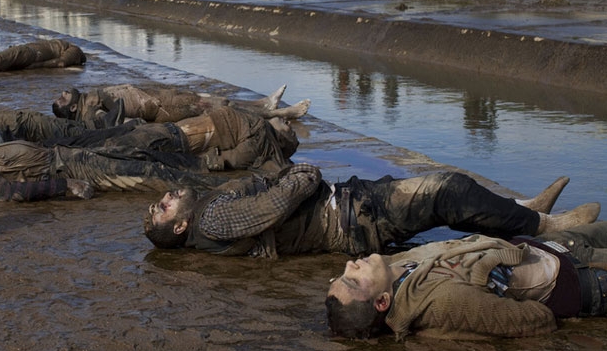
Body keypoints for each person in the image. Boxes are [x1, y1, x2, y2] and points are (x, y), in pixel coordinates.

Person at [143, 165, 600, 259]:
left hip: (348, 205)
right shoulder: (213, 219)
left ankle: (522, 211)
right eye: (163, 209)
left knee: (445, 198)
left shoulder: (207, 213)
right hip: (352, 218)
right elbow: (280, 200)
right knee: (445, 190)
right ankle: (546, 226)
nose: (165, 198)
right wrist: (302, 171)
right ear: (181, 225)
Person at [326, 221, 607, 340]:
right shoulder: (444, 302)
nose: (350, 265)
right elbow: (538, 319)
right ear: (382, 301)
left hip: (549, 245)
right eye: (353, 279)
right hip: (581, 276)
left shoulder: (397, 273)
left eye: (343, 273)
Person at [0, 140, 228, 197]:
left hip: (67, 154)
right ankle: (221, 191)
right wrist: (66, 187)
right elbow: (14, 192)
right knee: (150, 173)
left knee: (143, 154)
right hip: (69, 167)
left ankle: (212, 164)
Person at [49, 105, 300, 174]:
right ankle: (47, 149)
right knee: (102, 138)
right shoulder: (256, 122)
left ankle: (51, 158)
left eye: (290, 131)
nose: (289, 124)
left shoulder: (260, 137)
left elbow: (232, 159)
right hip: (168, 131)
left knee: (107, 147)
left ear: (281, 141)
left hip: (174, 140)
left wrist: (203, 162)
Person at [53, 83, 310, 125]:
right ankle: (283, 112)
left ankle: (264, 104)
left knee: (217, 101)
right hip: (161, 107)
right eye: (61, 99)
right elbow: (123, 122)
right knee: (218, 107)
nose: (63, 93)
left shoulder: (87, 99)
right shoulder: (91, 113)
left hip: (157, 96)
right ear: (72, 108)